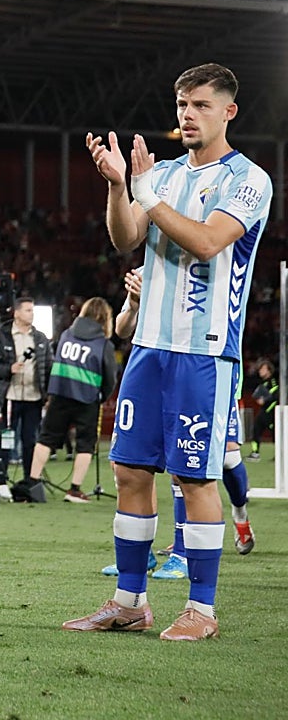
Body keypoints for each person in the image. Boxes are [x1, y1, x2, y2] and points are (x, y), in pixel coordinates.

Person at [65, 63, 271, 640]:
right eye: (182, 104)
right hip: (148, 347)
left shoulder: (248, 179)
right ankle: (130, 601)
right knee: (129, 470)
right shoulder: (164, 174)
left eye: (201, 104)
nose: (188, 114)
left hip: (204, 352)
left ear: (228, 111)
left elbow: (206, 243)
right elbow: (125, 238)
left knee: (194, 478)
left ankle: (201, 611)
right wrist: (118, 187)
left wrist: (146, 194)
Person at [100, 269, 257, 580]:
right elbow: (122, 329)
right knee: (129, 462)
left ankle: (212, 534)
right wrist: (134, 303)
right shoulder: (149, 268)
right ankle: (141, 552)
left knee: (217, 459)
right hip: (153, 368)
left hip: (202, 365)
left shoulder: (215, 264)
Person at [20, 297, 117, 504]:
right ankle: (74, 490)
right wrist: (102, 395)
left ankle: (32, 483)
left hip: (60, 393)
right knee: (85, 444)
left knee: (46, 438)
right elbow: (110, 377)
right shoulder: (103, 344)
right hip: (87, 397)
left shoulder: (66, 334)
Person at [0, 296, 52, 501]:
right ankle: (2, 480)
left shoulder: (40, 338)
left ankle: (30, 481)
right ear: (16, 313)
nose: (31, 314)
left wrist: (49, 393)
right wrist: (8, 369)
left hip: (34, 397)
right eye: (28, 310)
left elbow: (49, 366)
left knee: (31, 440)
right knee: (5, 439)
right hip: (10, 397)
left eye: (32, 310)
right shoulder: (2, 337)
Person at [247, 358, 276, 460]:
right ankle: (255, 453)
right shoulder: (262, 383)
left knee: (276, 434)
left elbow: (275, 393)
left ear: (269, 370)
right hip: (264, 411)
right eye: (260, 369)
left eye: (263, 369)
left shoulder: (272, 381)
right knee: (256, 429)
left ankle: (280, 454)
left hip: (271, 411)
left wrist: (265, 400)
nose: (260, 371)